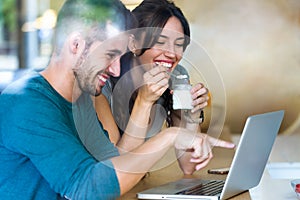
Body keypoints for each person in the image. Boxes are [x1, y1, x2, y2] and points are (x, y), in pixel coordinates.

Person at [0, 0, 235, 199]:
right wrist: (170, 135)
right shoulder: (26, 102)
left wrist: (185, 117)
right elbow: (84, 188)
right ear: (76, 44)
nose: (115, 70)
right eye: (110, 55)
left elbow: (113, 164)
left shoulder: (82, 97)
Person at [95, 0, 219, 175]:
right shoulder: (104, 81)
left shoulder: (176, 76)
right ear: (134, 44)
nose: (171, 53)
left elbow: (189, 166)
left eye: (178, 44)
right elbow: (116, 171)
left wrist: (191, 114)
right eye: (160, 42)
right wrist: (144, 101)